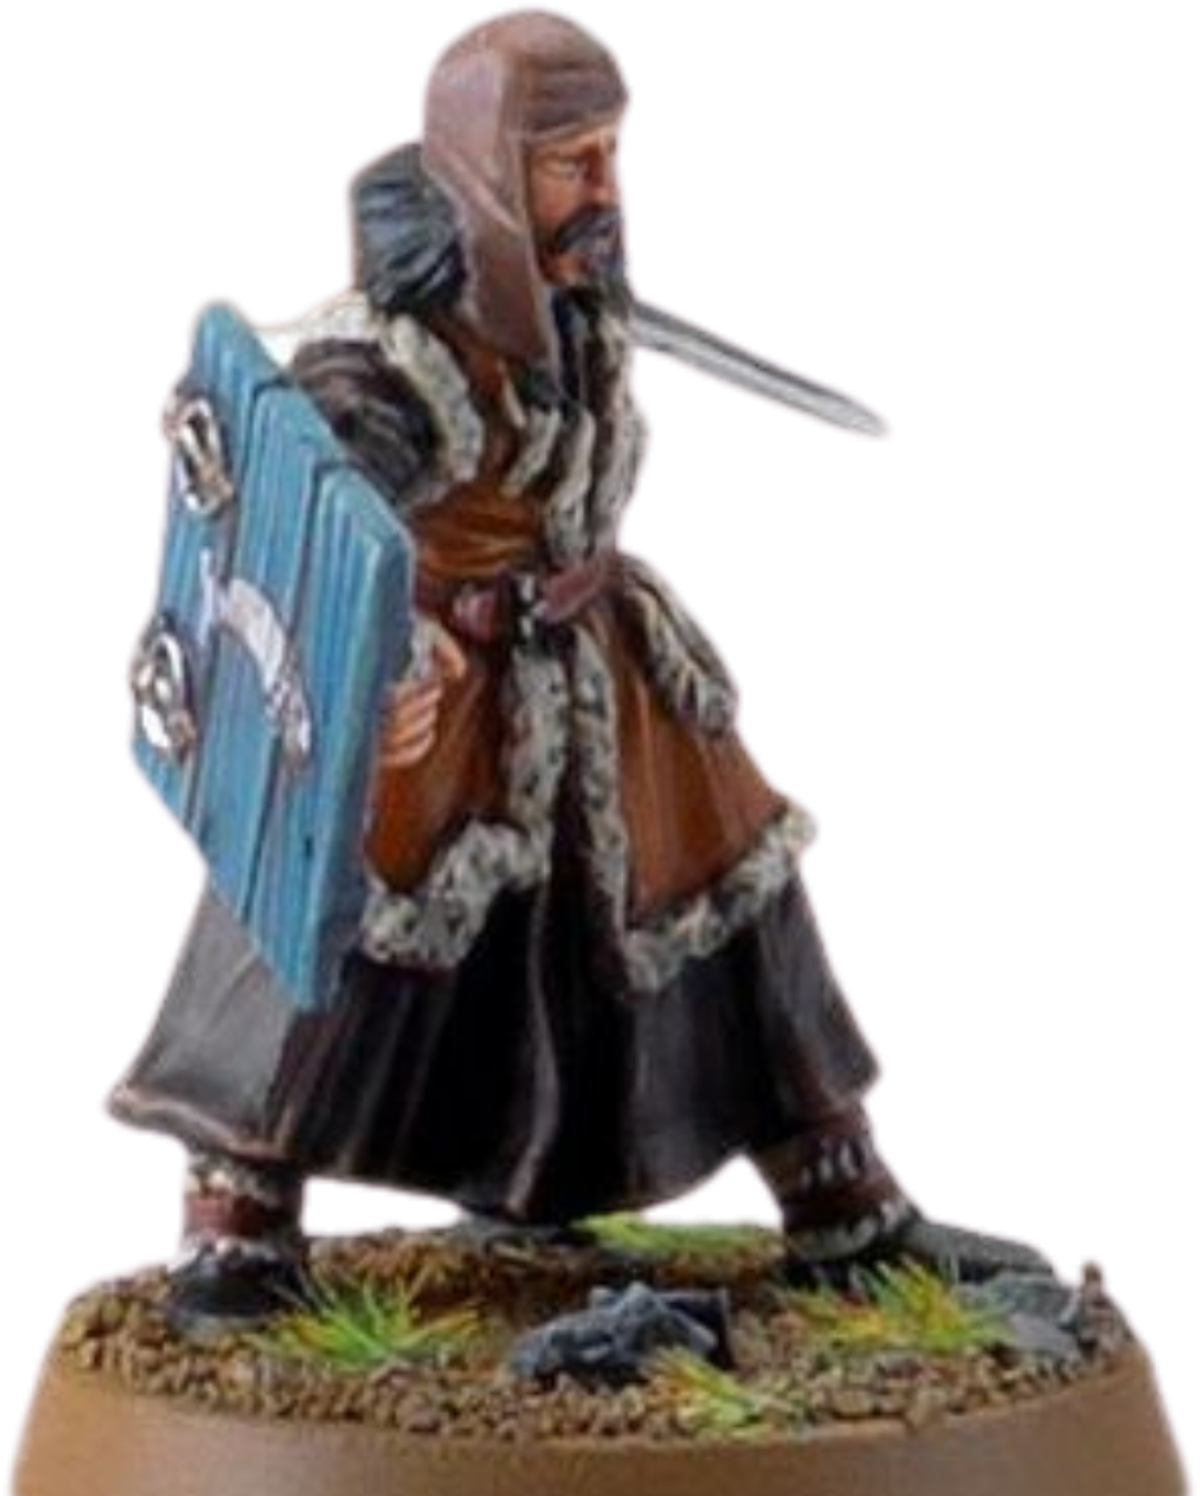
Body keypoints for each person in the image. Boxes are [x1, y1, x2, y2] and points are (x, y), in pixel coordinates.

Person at [102, 6, 1056, 1327]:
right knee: (331, 923)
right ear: (486, 169)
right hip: (434, 694)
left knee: (734, 895)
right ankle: (234, 1222)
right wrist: (368, 663)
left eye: (617, 153)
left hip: (604, 665)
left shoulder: (580, 313)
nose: (609, 190)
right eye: (572, 162)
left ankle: (845, 1199)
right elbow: (315, 502)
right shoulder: (394, 359)